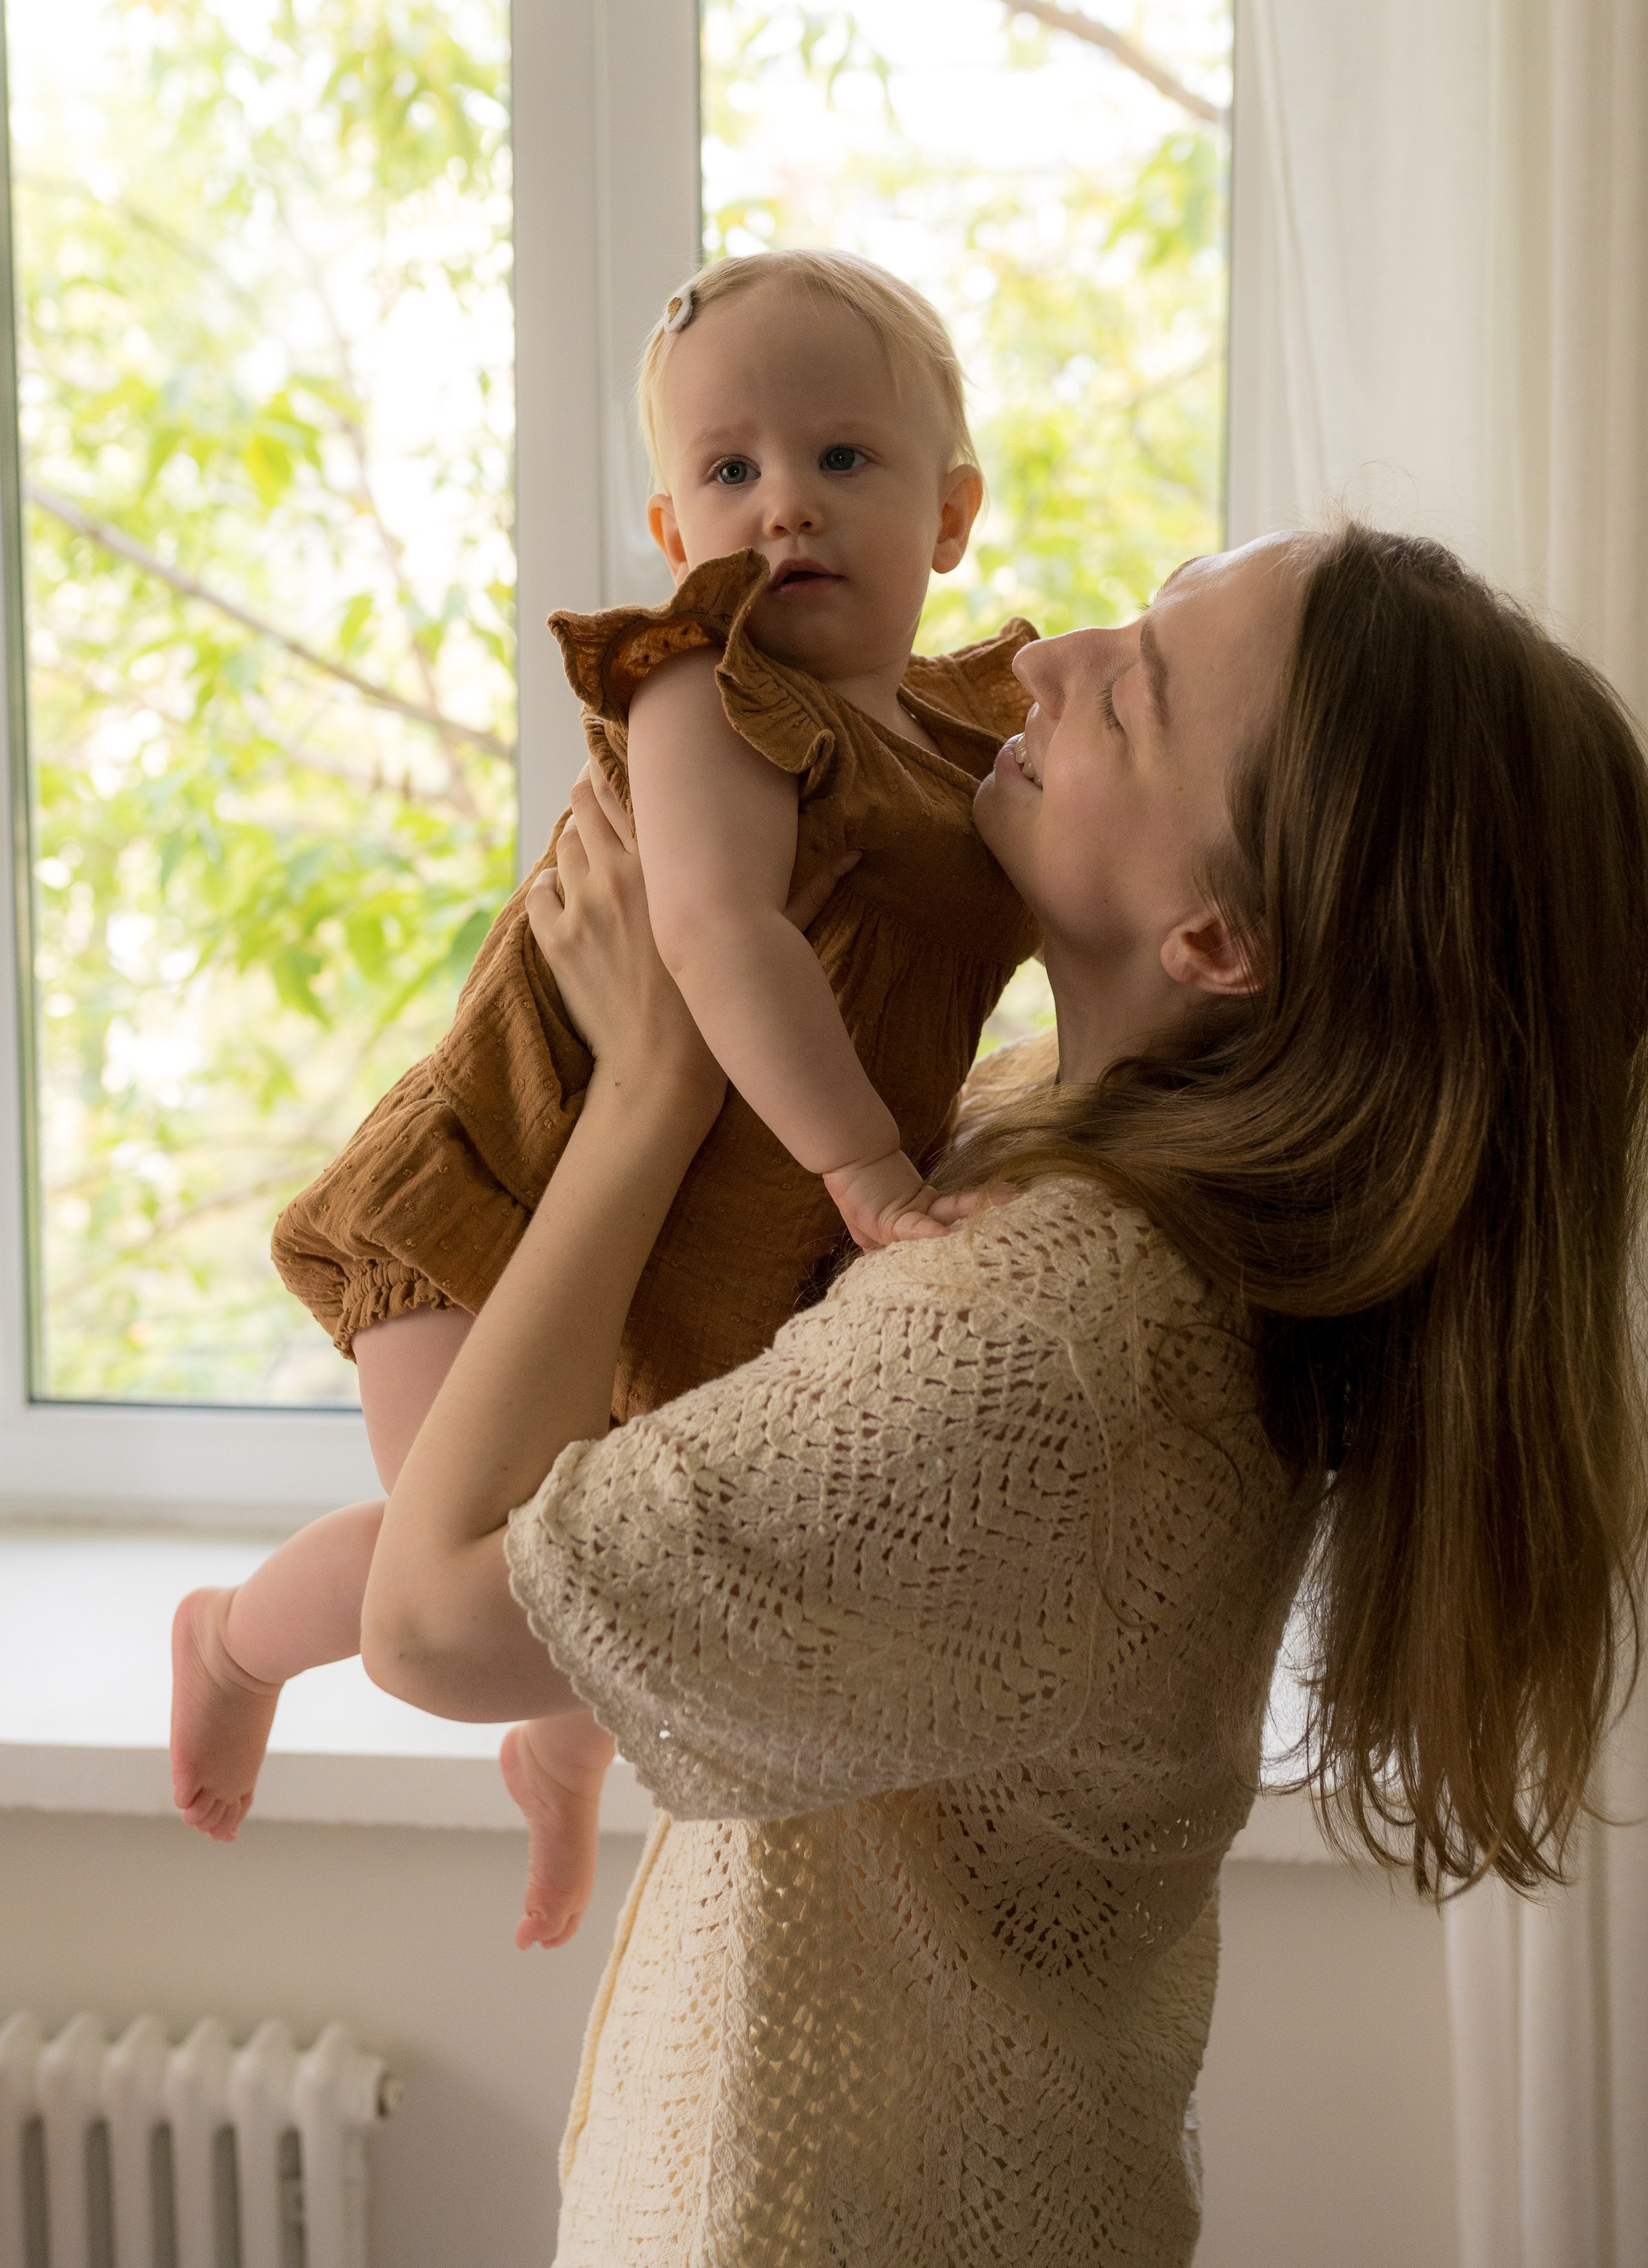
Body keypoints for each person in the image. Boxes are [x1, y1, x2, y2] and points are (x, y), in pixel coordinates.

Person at [360, 522, 1648, 2264]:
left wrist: (650, 1083)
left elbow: (431, 1622)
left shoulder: (1044, 1350)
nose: (1045, 660)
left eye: (1135, 693)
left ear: (1218, 937)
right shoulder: (1062, 1146)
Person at [168, 250, 1041, 1949]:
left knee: (590, 1569)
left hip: (703, 1260)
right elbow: (714, 938)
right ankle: (230, 1640)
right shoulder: (706, 690)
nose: (783, 505)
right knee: (456, 1555)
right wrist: (870, 1171)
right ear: (674, 534)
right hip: (504, 1203)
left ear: (951, 513)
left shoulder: (963, 743)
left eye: (842, 460)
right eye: (732, 471)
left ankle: (558, 1767)